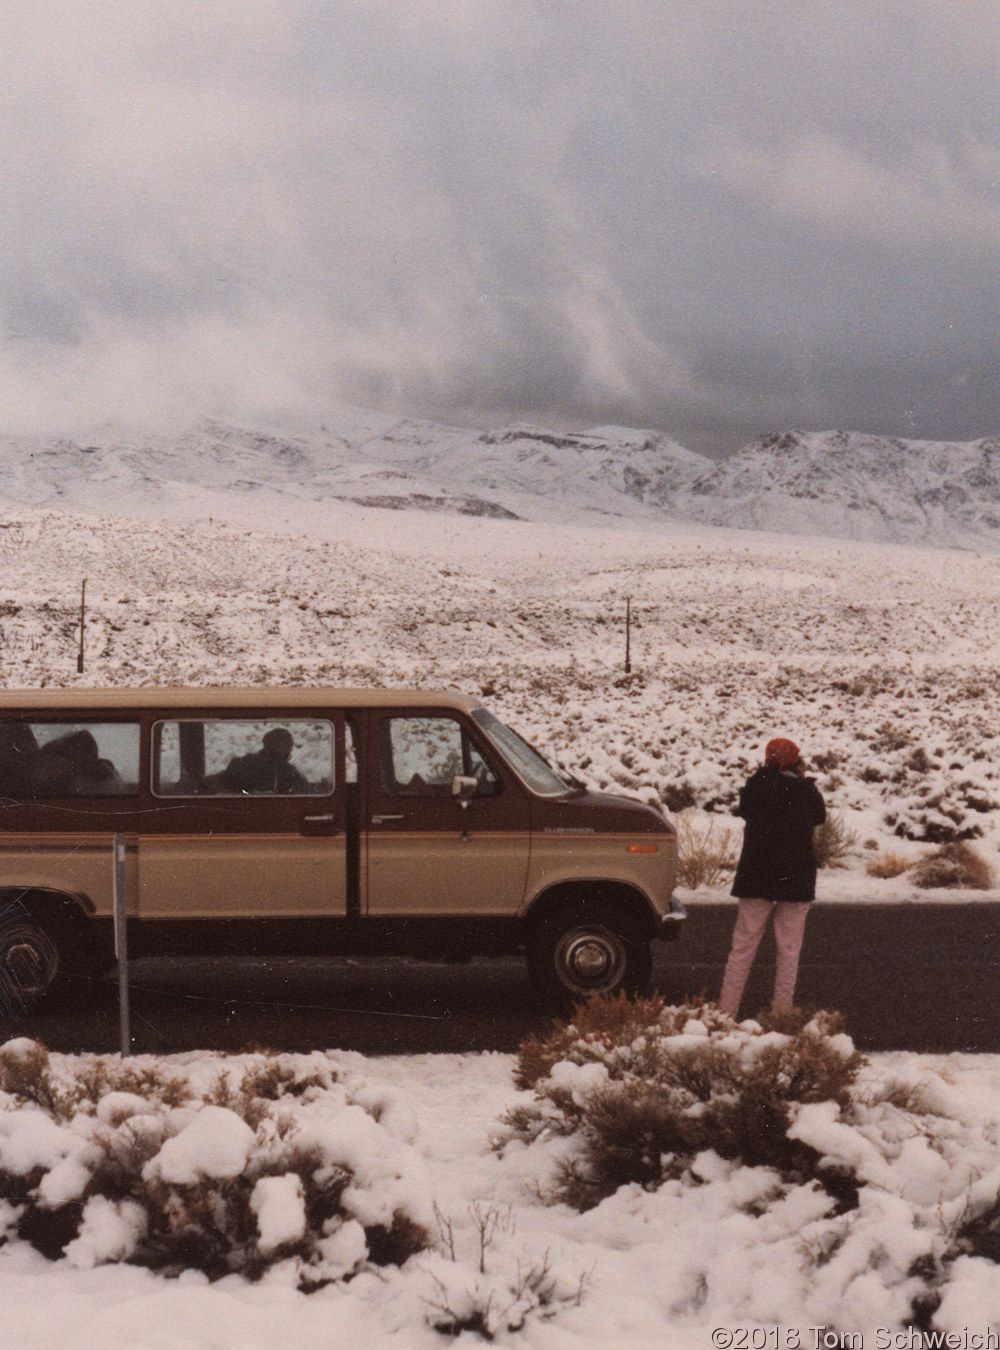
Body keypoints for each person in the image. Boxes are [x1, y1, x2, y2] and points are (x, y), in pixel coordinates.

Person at [718, 737, 826, 1018]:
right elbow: (819, 817)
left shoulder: (754, 786)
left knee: (741, 951)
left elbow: (745, 811)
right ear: (795, 762)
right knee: (788, 954)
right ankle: (781, 1017)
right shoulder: (807, 791)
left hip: (756, 876)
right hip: (796, 879)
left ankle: (725, 1016)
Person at [221, 727, 308, 795]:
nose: (289, 752)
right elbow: (304, 790)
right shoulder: (286, 771)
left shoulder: (240, 763)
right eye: (288, 748)